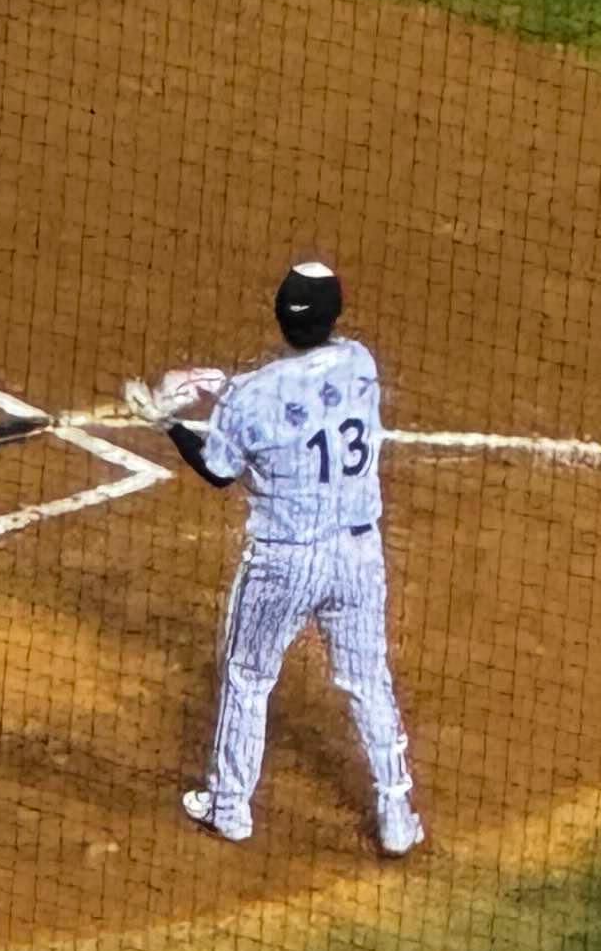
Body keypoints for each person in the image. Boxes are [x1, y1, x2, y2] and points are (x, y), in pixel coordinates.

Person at [136, 258, 422, 857]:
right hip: (357, 556)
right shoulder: (361, 362)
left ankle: (229, 808)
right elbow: (301, 387)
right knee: (368, 680)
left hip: (283, 563)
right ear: (334, 314)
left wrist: (168, 423)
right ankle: (397, 815)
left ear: (279, 316)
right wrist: (219, 384)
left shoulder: (250, 400)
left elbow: (218, 470)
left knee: (248, 675)